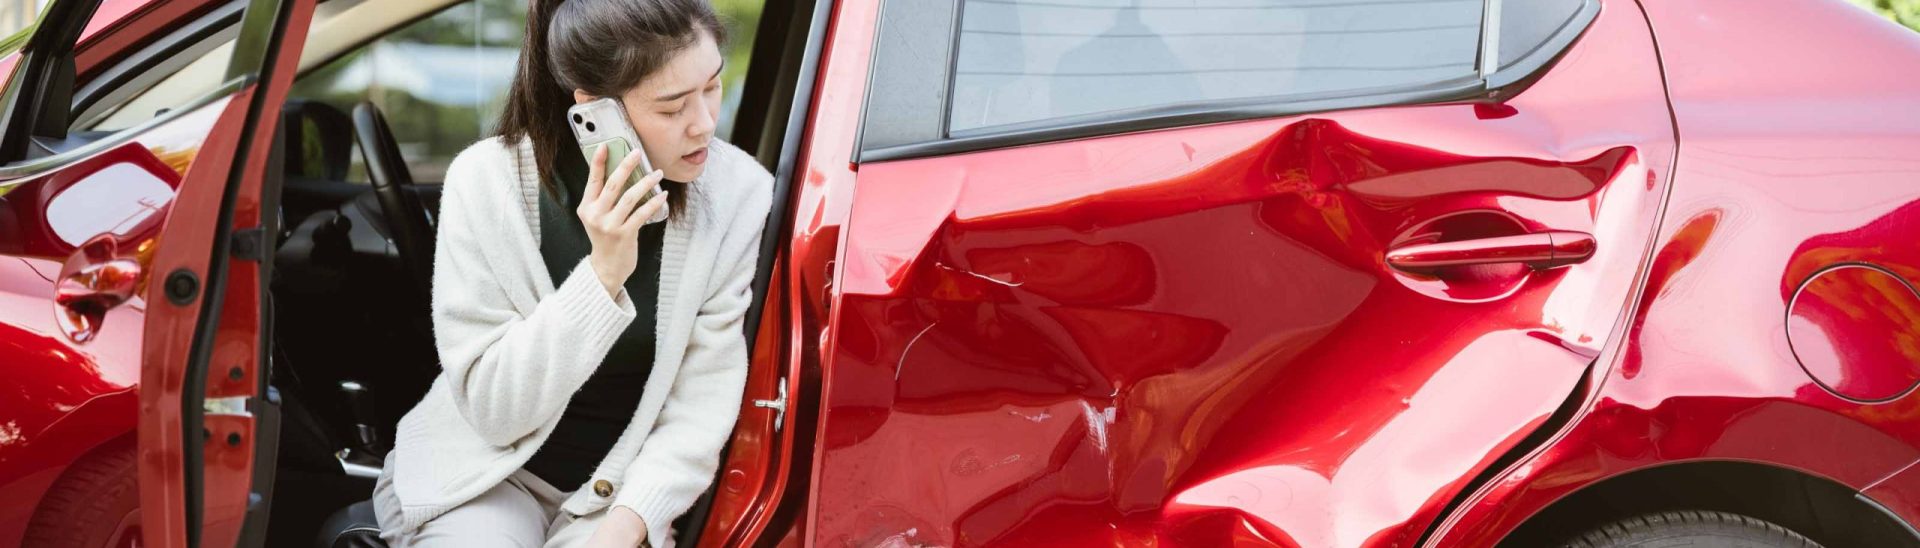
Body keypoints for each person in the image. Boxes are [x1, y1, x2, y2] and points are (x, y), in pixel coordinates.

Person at [371, 0, 771, 545]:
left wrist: (627, 524)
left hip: (620, 493)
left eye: (712, 87)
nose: (704, 124)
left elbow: (701, 402)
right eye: (673, 107)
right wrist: (602, 274)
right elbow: (495, 411)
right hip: (486, 476)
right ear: (595, 110)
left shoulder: (738, 192)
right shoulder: (486, 182)